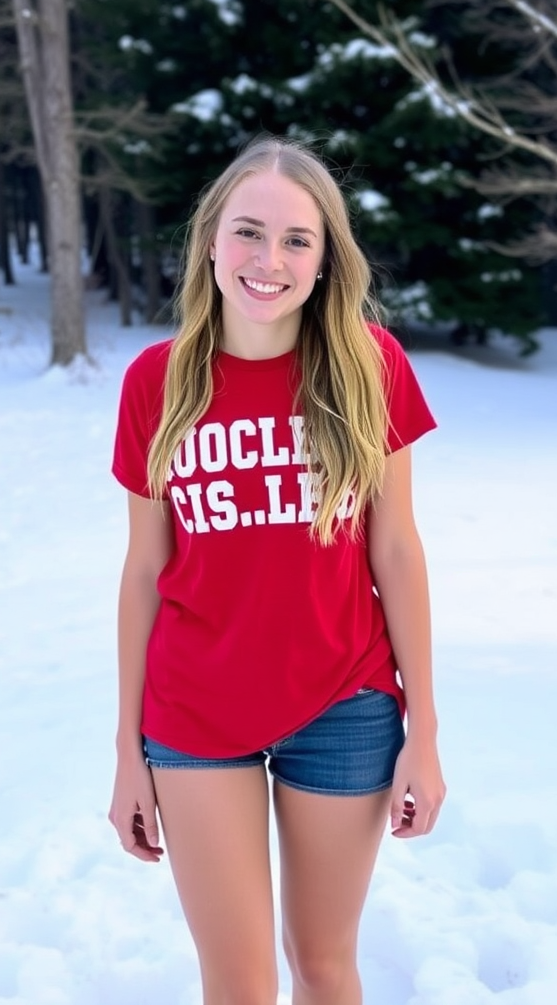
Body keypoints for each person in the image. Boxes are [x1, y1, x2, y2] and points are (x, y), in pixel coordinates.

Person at [108, 136, 445, 1005]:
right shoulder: (158, 381)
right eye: (249, 232)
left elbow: (396, 550)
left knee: (324, 966)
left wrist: (427, 732)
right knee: (240, 983)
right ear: (211, 242)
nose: (270, 260)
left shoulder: (369, 369)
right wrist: (124, 752)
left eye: (297, 240)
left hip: (345, 702)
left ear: (327, 258)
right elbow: (146, 570)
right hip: (194, 712)